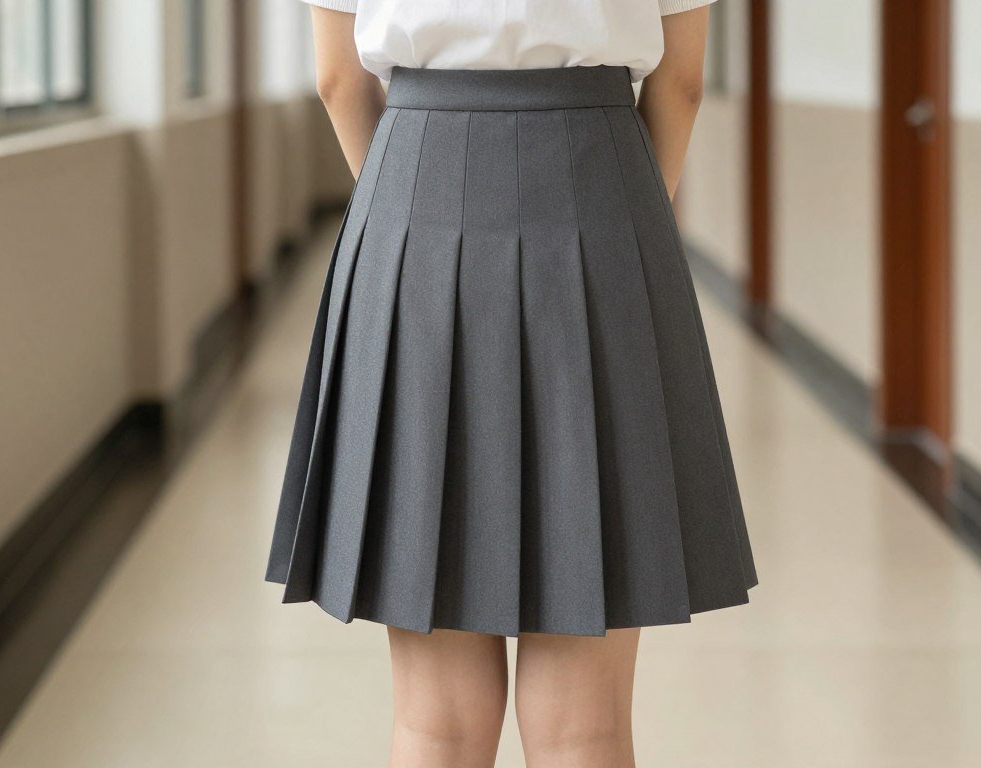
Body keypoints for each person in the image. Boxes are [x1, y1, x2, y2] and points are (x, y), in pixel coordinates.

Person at [265, 1, 758, 765]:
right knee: (586, 724)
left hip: (414, 191)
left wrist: (412, 217)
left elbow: (337, 78)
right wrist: (615, 233)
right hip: (599, 186)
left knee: (434, 721)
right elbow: (682, 83)